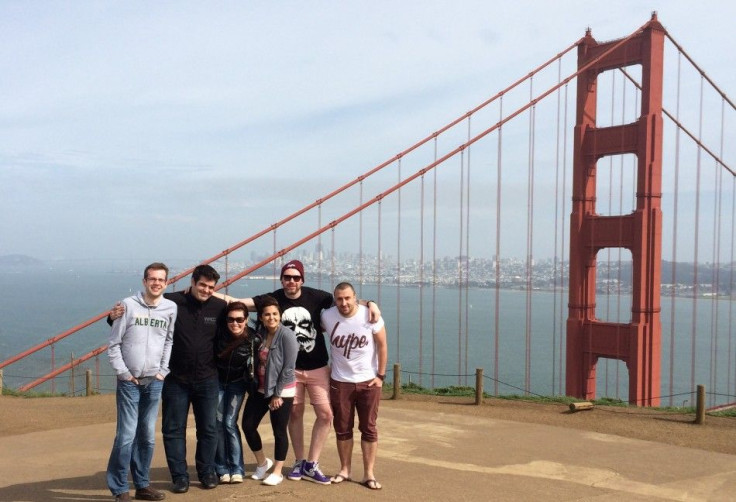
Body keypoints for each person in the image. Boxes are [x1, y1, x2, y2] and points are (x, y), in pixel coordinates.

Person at [217, 259, 381, 485]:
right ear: (282, 279)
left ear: (302, 279)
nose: (291, 281)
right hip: (291, 371)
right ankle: (299, 461)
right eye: (287, 277)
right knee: (294, 415)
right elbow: (236, 302)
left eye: (296, 277)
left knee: (326, 415)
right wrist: (206, 293)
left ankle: (311, 464)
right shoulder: (272, 299)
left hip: (318, 367)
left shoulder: (317, 296)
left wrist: (370, 302)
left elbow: (344, 301)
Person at [111, 264, 227, 493]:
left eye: (210, 287)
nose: (205, 290)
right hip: (176, 380)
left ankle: (206, 472)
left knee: (209, 428)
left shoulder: (219, 306)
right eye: (201, 284)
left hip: (207, 377)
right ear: (191, 283)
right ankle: (180, 477)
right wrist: (111, 316)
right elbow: (138, 315)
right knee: (173, 429)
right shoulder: (172, 302)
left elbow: (238, 321)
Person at [106, 262, 177, 502]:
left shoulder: (170, 308)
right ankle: (119, 488)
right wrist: (124, 373)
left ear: (166, 283)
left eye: (161, 279)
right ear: (144, 281)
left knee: (146, 435)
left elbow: (169, 341)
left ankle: (142, 485)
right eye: (152, 279)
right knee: (126, 435)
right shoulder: (127, 306)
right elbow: (114, 344)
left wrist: (163, 371)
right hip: (129, 382)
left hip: (154, 380)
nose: (156, 283)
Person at [321, 282, 388, 491]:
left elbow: (382, 344)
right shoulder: (327, 316)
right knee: (342, 428)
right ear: (335, 300)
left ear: (355, 297)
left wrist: (381, 376)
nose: (344, 303)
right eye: (339, 299)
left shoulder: (370, 315)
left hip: (368, 381)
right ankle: (345, 470)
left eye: (348, 298)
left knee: (368, 428)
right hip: (341, 382)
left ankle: (369, 474)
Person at [241, 295, 298, 486]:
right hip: (260, 388)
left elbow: (289, 368)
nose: (271, 318)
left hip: (281, 391)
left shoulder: (287, 336)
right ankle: (262, 463)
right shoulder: (261, 334)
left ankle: (278, 472)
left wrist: (277, 394)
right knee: (248, 425)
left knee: (278, 430)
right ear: (262, 317)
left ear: (280, 316)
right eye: (267, 314)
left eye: (274, 314)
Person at [214, 301, 260, 484]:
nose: (235, 323)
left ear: (246, 320)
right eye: (231, 319)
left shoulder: (254, 340)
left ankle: (237, 468)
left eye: (239, 319)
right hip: (217, 383)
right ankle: (221, 468)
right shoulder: (218, 335)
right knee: (217, 423)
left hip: (237, 384)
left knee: (229, 423)